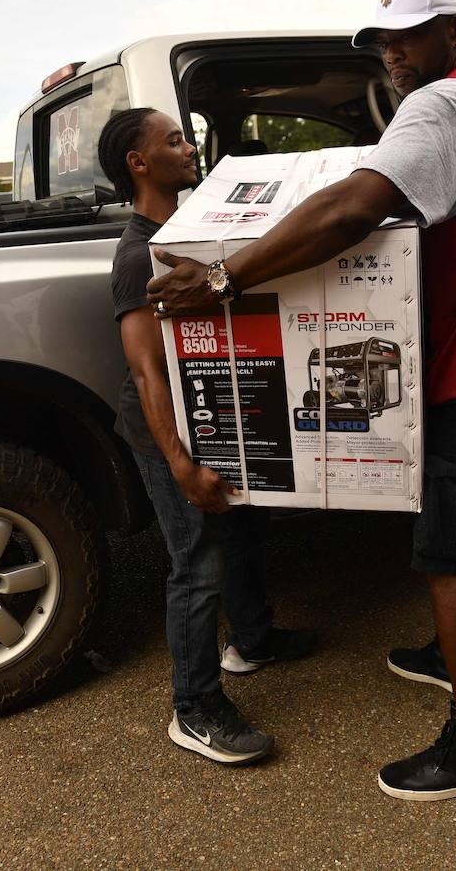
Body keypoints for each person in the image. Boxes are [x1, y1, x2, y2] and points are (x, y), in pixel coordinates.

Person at [147, 0, 456, 800]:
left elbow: (350, 210)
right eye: (383, 40)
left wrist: (226, 279)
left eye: (410, 36)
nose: (393, 54)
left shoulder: (442, 105)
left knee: (452, 557)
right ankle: (447, 655)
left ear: (455, 31)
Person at [98, 107, 316, 765]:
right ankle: (193, 708)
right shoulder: (141, 253)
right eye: (173, 140)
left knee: (244, 528)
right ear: (140, 164)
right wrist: (181, 466)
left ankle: (252, 640)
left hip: (217, 415)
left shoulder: (190, 233)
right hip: (166, 434)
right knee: (197, 563)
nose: (189, 146)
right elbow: (145, 371)